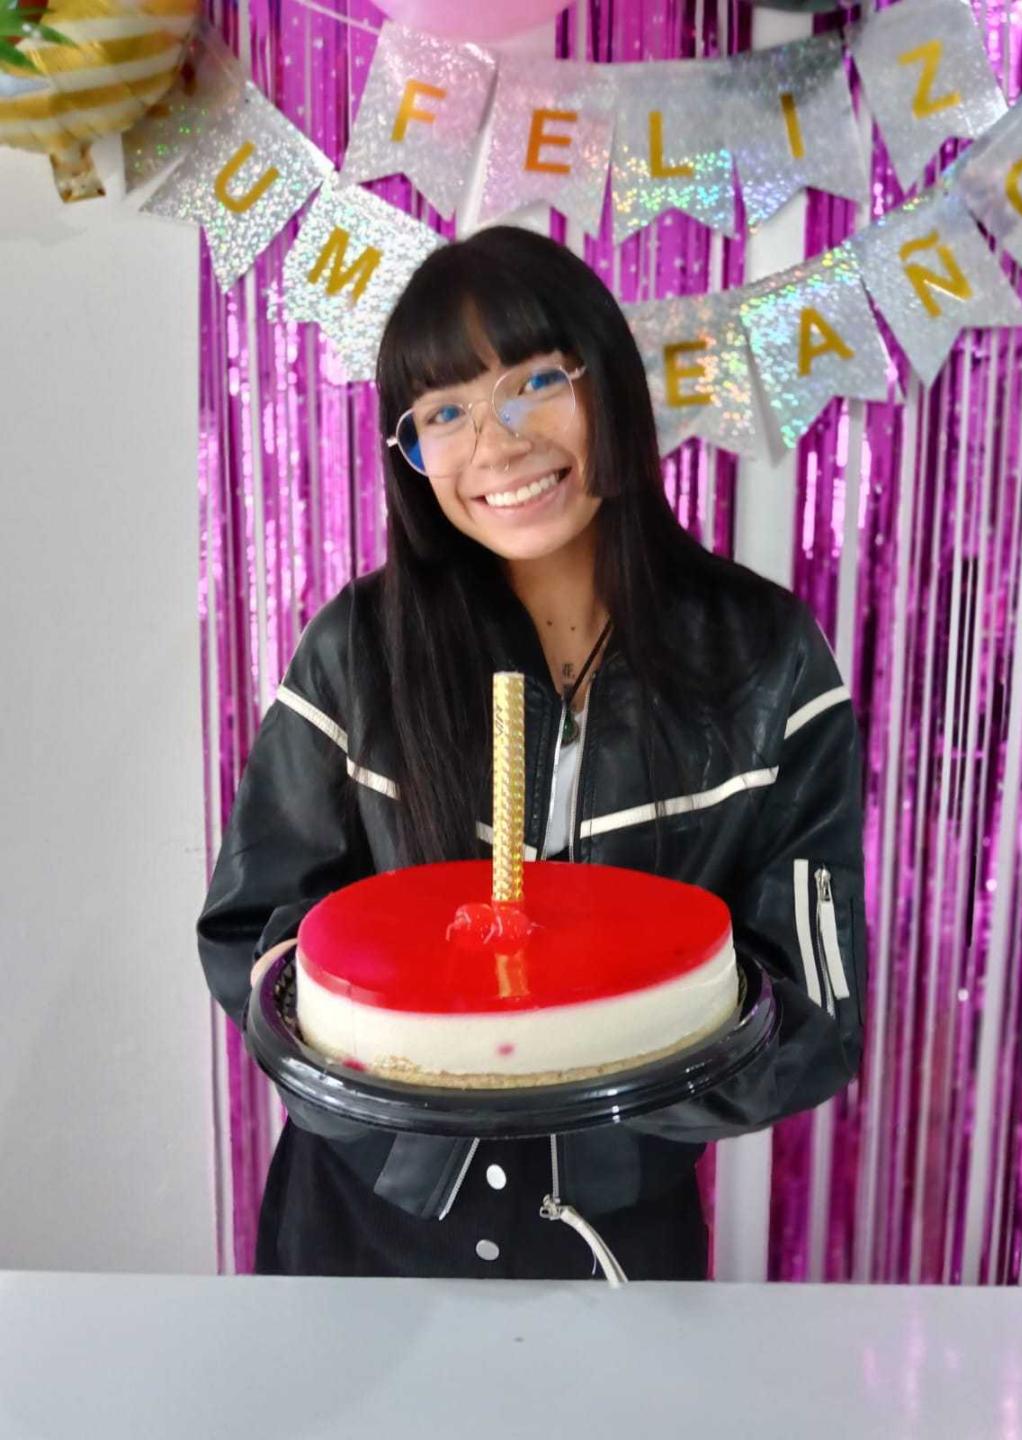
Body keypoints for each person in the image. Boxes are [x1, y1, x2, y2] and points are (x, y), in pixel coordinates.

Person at [196, 224, 867, 1281]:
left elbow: (813, 1003)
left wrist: (601, 1090)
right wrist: (401, 1068)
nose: (497, 444)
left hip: (616, 1231)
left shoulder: (768, 659)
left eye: (535, 381)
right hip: (365, 1222)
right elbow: (251, 930)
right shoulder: (356, 649)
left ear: (610, 384)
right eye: (444, 412)